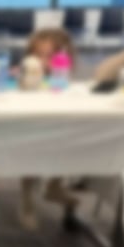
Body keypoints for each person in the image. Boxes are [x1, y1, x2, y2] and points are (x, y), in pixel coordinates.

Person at [20, 28, 78, 229]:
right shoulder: (26, 71)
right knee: (29, 152)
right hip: (30, 126)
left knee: (68, 141)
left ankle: (55, 184)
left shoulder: (63, 73)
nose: (43, 60)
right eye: (38, 55)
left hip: (58, 123)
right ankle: (27, 201)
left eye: (49, 55)